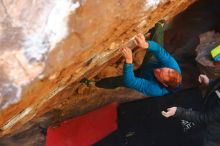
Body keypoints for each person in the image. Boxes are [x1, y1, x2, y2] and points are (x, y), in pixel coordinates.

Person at [162, 74, 220, 146]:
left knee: (202, 140)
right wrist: (209, 82)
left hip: (212, 131)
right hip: (209, 108)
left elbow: (204, 117)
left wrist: (178, 112)